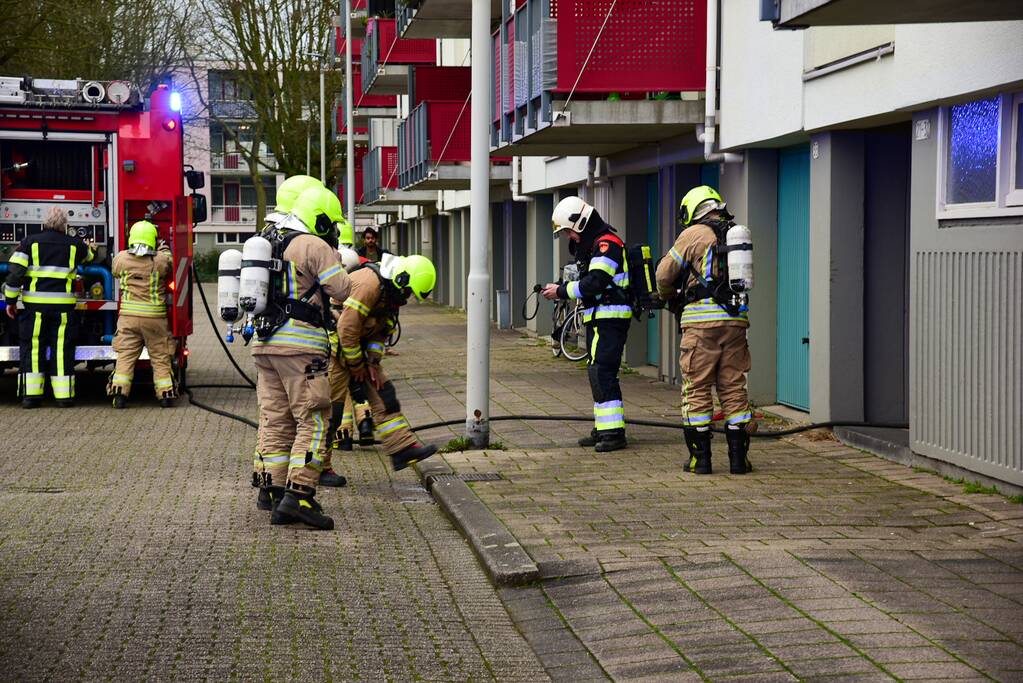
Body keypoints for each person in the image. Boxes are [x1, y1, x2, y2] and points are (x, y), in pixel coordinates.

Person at [251, 184, 353, 530]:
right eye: (332, 224)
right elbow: (341, 289)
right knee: (314, 419)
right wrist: (335, 256)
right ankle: (301, 495)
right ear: (321, 219)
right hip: (302, 347)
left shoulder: (271, 241)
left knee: (276, 419)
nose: (335, 231)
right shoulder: (313, 245)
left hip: (265, 345)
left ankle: (275, 490)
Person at [655, 185, 753, 475]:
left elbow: (664, 274)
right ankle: (739, 461)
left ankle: (701, 460)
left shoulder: (693, 234)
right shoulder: (735, 232)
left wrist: (665, 295)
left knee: (697, 388)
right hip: (736, 321)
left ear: (691, 210)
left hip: (701, 325)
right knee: (734, 386)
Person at [541, 196, 631, 453]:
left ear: (580, 224)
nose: (570, 238)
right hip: (601, 317)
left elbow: (596, 283)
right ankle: (604, 428)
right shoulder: (595, 246)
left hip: (610, 317)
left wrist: (561, 291)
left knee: (602, 371)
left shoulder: (607, 245)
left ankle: (613, 434)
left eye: (569, 231)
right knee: (598, 371)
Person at [338, 253, 438, 472]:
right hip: (333, 345)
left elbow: (382, 330)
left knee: (385, 395)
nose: (407, 297)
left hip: (356, 348)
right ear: (401, 278)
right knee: (331, 407)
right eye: (408, 291)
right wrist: (357, 367)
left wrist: (373, 363)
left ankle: (402, 449)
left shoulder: (392, 292)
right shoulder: (369, 284)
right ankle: (318, 468)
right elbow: (346, 328)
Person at [3, 206, 94, 408]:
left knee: (33, 347)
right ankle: (63, 397)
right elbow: (91, 258)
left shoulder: (29, 243)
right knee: (62, 349)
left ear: (44, 223)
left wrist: (10, 301)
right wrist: (90, 247)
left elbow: (15, 274)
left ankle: (31, 397)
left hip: (34, 308)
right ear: (65, 225)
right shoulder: (74, 245)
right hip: (63, 308)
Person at [318, 245, 372, 489]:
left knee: (337, 409)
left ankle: (325, 460)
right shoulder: (338, 296)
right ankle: (321, 464)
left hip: (339, 357)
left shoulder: (339, 292)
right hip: (334, 358)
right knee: (331, 411)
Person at [107, 220, 177, 408]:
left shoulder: (122, 258)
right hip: (155, 319)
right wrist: (162, 246)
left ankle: (120, 395)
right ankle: (165, 395)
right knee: (160, 356)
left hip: (128, 319)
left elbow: (114, 271)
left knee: (126, 356)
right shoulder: (159, 260)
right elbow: (169, 262)